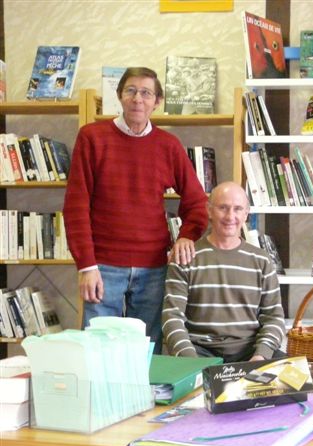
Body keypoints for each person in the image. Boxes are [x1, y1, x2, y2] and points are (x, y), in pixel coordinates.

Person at [63, 67, 208, 353]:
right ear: (119, 96)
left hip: (153, 268)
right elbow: (76, 205)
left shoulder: (168, 145)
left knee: (146, 352)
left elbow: (196, 201)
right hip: (102, 267)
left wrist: (186, 236)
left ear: (157, 101)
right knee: (98, 353)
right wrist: (86, 266)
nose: (137, 99)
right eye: (130, 90)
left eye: (146, 93)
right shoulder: (92, 137)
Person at [161, 181, 286, 362]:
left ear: (246, 213)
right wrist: (191, 361)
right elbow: (172, 318)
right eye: (223, 208)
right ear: (209, 210)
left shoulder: (262, 261)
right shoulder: (185, 258)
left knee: (294, 374)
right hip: (200, 351)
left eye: (237, 209)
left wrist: (261, 355)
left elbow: (273, 318)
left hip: (249, 352)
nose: (230, 216)